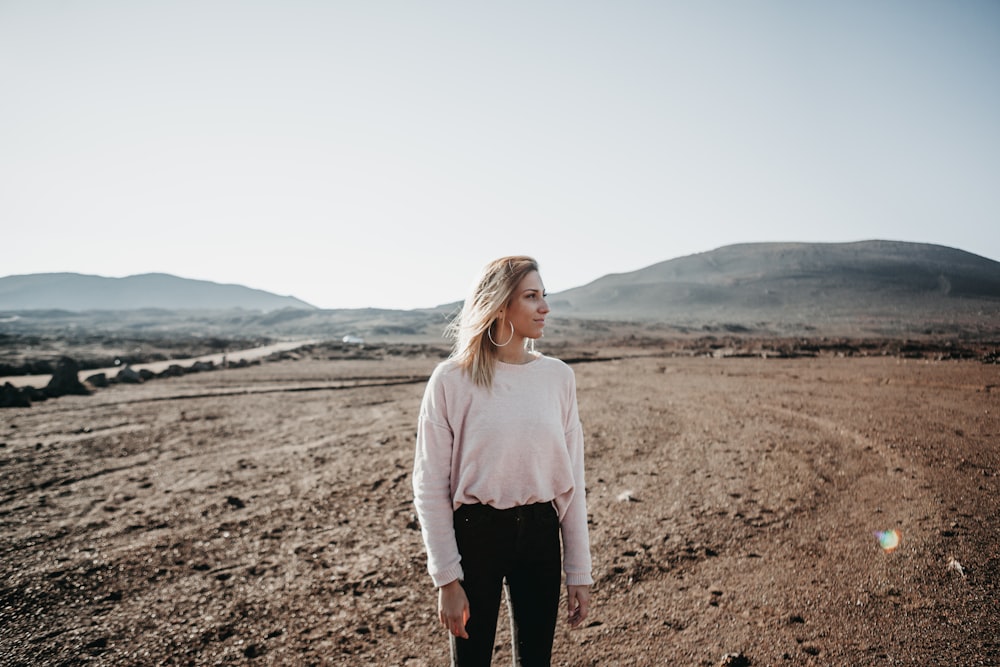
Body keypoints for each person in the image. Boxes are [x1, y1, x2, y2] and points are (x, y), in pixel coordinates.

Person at [412, 256, 593, 667]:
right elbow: (428, 486)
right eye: (532, 297)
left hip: (541, 536)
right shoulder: (451, 380)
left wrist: (578, 572)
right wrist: (447, 579)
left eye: (544, 296)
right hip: (476, 538)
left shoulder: (558, 378)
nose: (545, 307)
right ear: (498, 306)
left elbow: (573, 483)